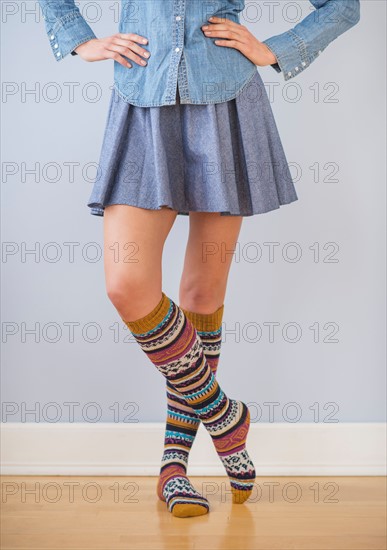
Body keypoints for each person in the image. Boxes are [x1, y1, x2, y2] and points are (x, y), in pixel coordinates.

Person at [38, 0, 361, 518]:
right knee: (126, 285)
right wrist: (80, 38)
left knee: (200, 295)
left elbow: (344, 6)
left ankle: (175, 466)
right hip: (141, 98)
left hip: (227, 101)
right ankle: (225, 416)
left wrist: (275, 50)